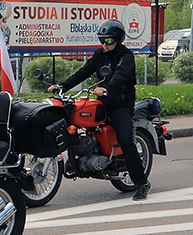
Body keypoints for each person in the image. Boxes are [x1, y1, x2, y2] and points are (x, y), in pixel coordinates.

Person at [48, 19, 151, 201]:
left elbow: (119, 77)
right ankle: (79, 159)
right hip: (102, 102)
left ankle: (142, 183)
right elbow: (84, 71)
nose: (105, 44)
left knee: (126, 140)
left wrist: (108, 88)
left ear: (117, 39)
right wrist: (62, 86)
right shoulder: (99, 54)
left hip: (120, 104)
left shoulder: (125, 56)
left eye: (109, 41)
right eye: (102, 40)